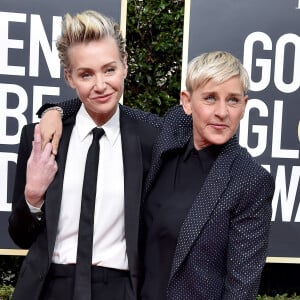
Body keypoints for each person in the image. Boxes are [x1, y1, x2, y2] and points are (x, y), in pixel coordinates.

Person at [38, 51, 275, 300]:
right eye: (210, 98)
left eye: (233, 100)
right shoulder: (168, 136)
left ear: (244, 106)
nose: (222, 112)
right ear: (187, 101)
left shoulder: (249, 180)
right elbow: (110, 107)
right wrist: (55, 110)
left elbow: (241, 288)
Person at [8, 10, 161, 300]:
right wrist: (32, 196)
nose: (101, 85)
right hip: (47, 288)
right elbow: (20, 236)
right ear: (70, 77)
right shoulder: (40, 137)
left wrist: (53, 107)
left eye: (109, 69)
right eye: (86, 74)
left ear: (125, 66)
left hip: (119, 290)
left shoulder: (152, 137)